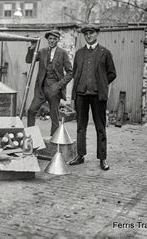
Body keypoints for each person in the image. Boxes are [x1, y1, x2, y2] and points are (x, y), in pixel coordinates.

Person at [68, 25, 116, 171]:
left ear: (97, 34)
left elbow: (112, 73)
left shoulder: (105, 53)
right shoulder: (79, 53)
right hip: (81, 94)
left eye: (91, 33)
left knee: (100, 127)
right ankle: (80, 155)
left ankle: (102, 158)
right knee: (80, 127)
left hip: (97, 95)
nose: (89, 36)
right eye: (86, 34)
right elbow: (75, 72)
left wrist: (101, 83)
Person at [25, 30, 73, 136]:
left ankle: (54, 140)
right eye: (50, 39)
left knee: (54, 116)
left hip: (54, 89)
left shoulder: (63, 53)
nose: (52, 41)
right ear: (48, 40)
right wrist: (32, 47)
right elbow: (29, 60)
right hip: (41, 88)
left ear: (58, 40)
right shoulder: (42, 52)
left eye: (54, 39)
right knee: (31, 111)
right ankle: (31, 137)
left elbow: (70, 73)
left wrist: (59, 85)